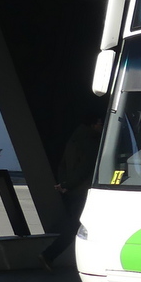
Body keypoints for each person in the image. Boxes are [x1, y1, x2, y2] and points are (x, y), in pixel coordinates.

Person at [41, 112, 103, 269]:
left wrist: (64, 183)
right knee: (78, 225)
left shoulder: (74, 139)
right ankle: (49, 254)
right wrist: (69, 184)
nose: (102, 128)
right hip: (83, 190)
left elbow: (63, 164)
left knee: (76, 223)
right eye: (100, 124)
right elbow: (86, 168)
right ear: (94, 124)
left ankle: (50, 255)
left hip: (73, 190)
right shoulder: (91, 141)